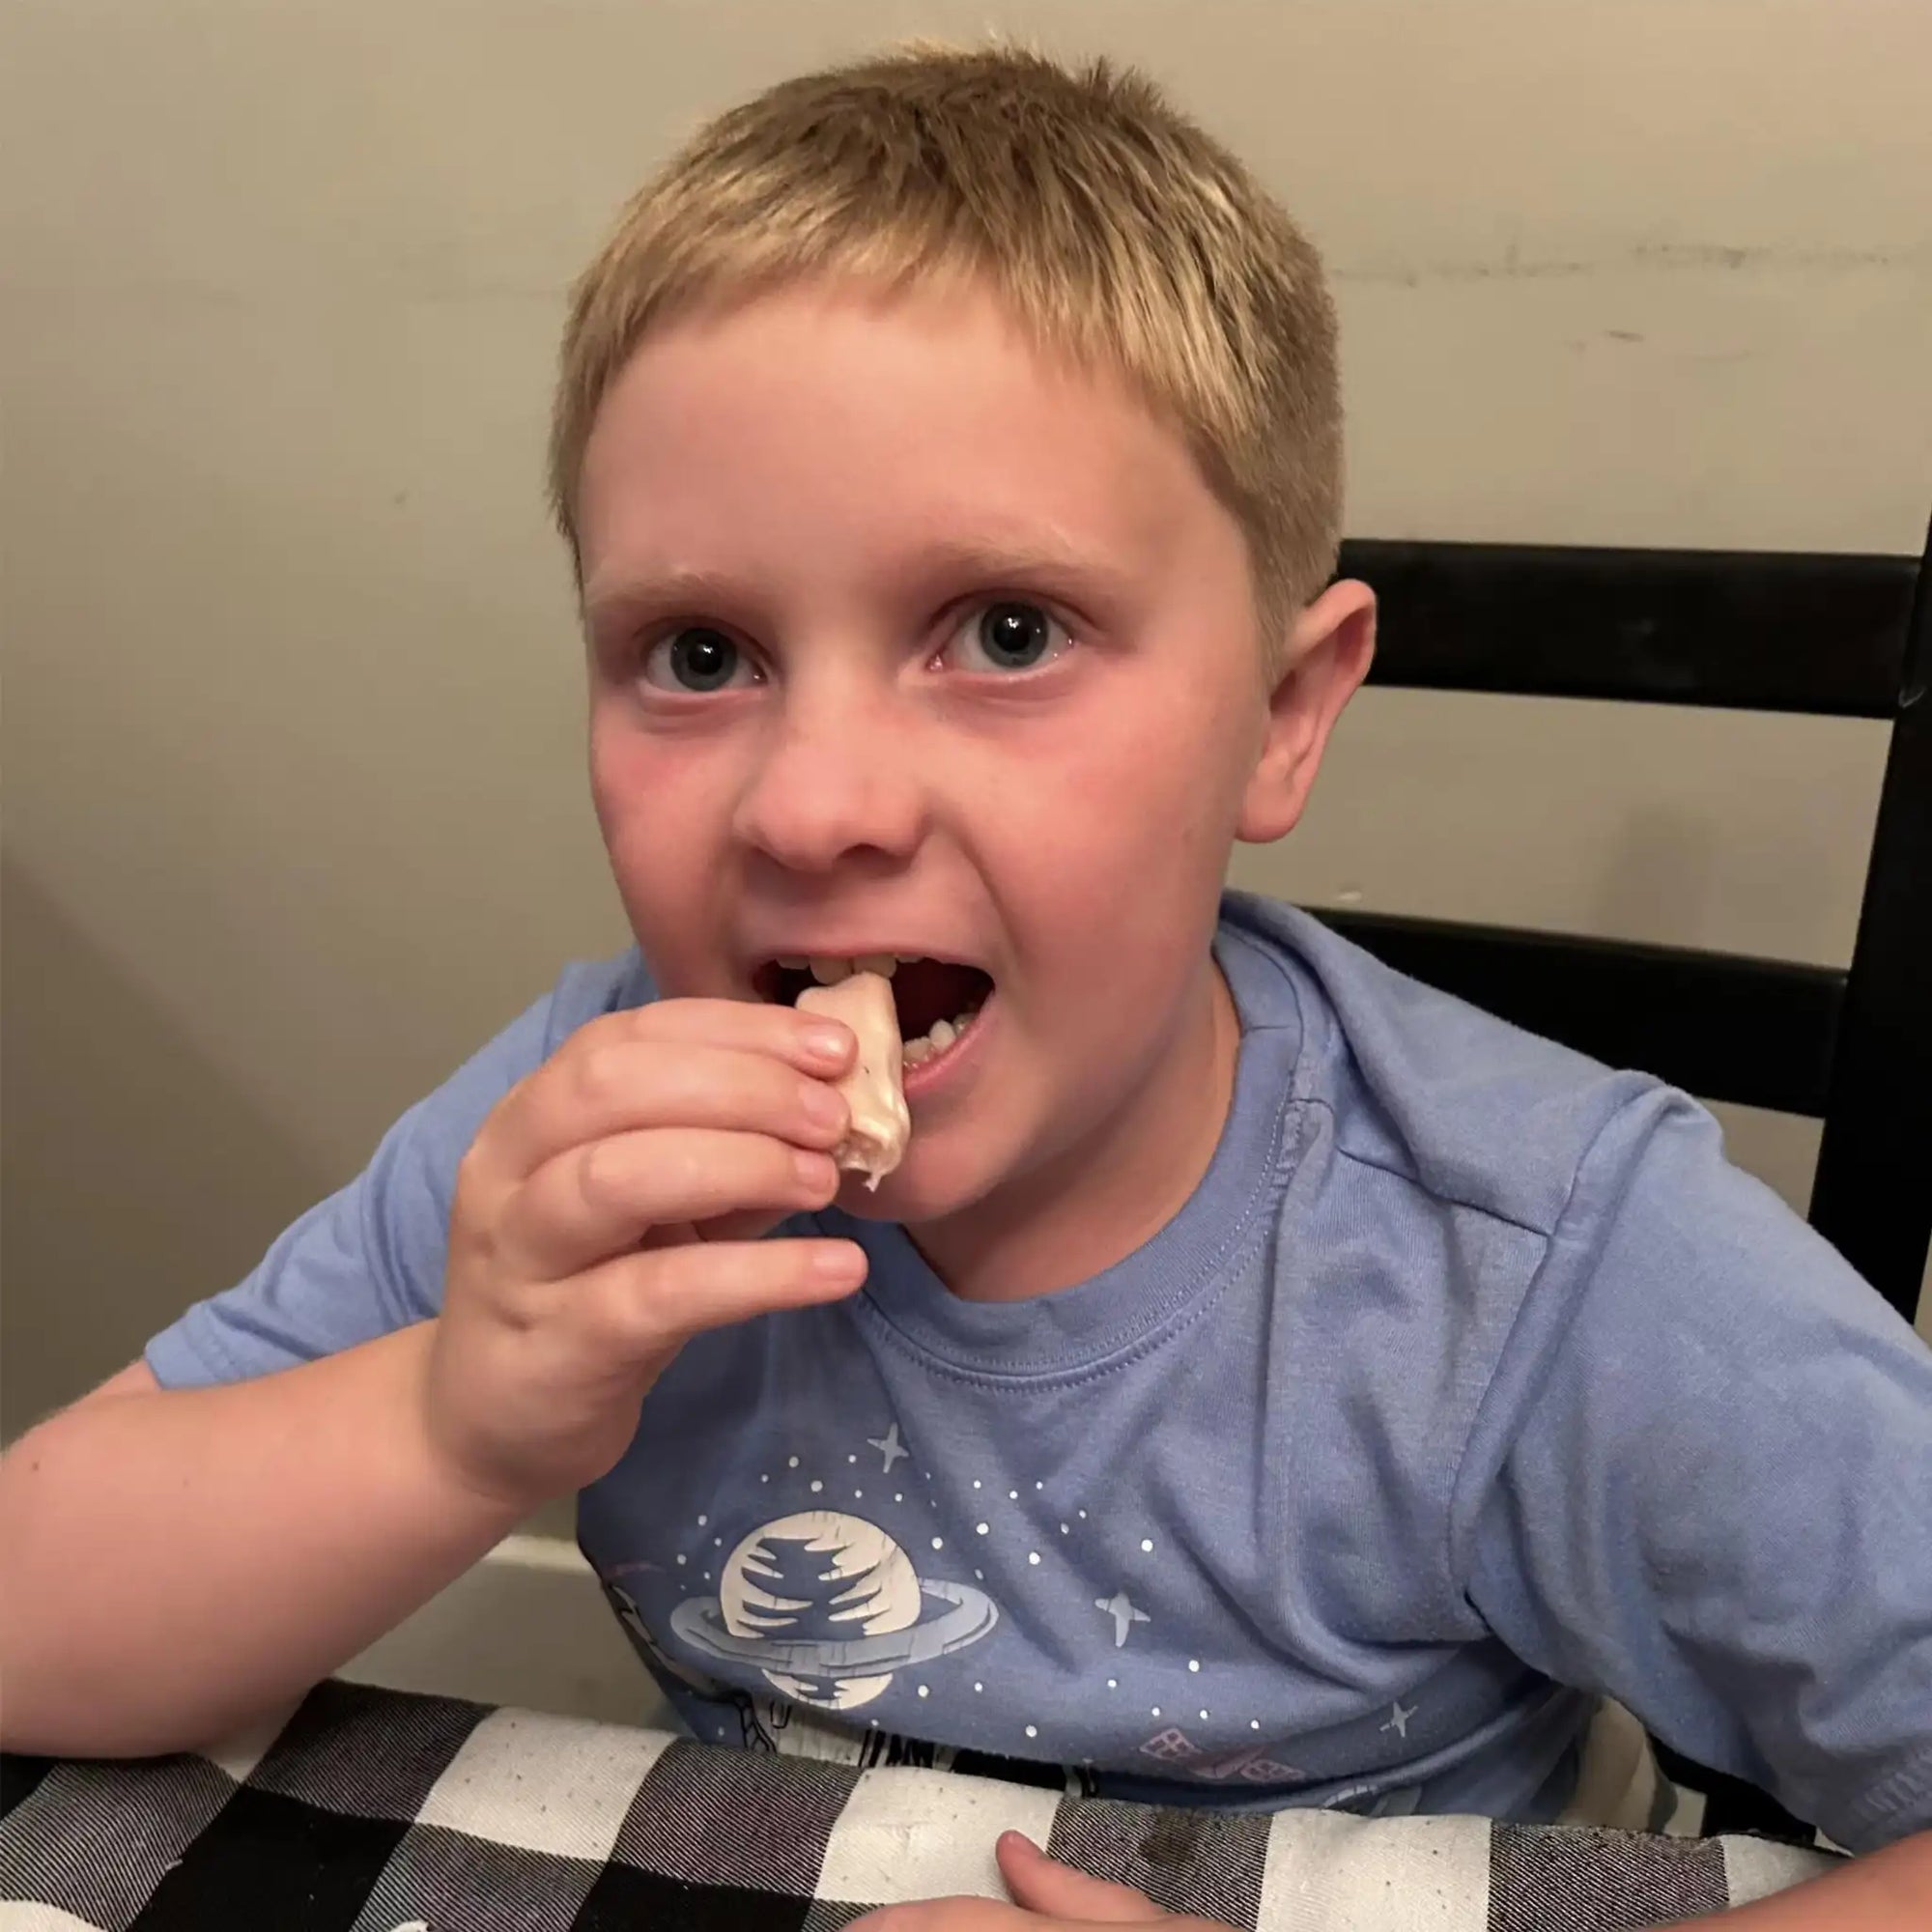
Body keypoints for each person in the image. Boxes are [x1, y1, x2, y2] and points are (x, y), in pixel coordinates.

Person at [4, 43, 1927, 1930]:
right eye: (696, 652)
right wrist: (451, 1421)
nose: (813, 802)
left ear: (1277, 711)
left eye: (1004, 630)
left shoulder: (1533, 1274)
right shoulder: (579, 1152)